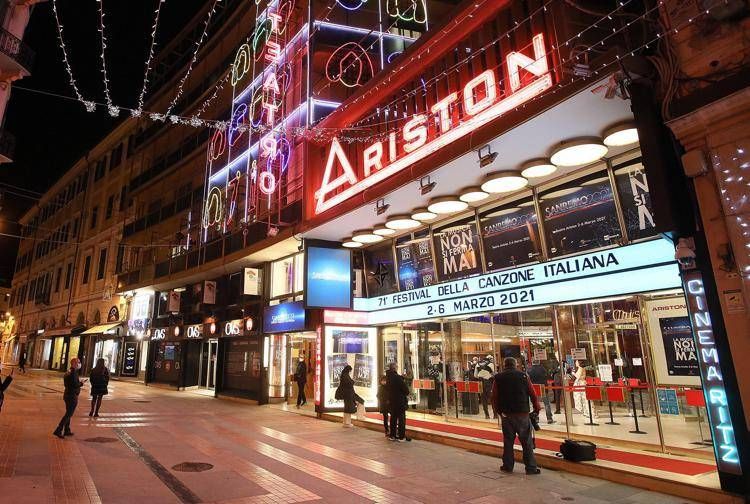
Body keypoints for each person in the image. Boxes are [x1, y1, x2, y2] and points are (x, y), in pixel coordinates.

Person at [491, 357, 541, 475]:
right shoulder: (524, 376)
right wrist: (536, 409)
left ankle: (508, 465)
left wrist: (499, 412)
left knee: (508, 441)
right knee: (526, 442)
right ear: (516, 364)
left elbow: (494, 397)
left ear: (504, 365)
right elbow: (533, 394)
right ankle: (531, 467)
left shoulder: (498, 378)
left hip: (507, 414)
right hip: (522, 413)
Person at [53, 358, 86, 438]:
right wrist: (81, 383)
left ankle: (67, 430)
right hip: (72, 396)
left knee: (69, 413)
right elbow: (75, 385)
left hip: (67, 394)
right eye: (78, 362)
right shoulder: (73, 373)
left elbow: (70, 383)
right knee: (68, 414)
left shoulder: (69, 371)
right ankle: (59, 429)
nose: (79, 364)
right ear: (74, 364)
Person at [386, 363, 410, 442]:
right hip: (399, 402)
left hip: (392, 401)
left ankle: (392, 435)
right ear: (395, 368)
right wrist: (402, 379)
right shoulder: (397, 378)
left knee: (393, 418)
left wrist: (401, 378)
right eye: (397, 367)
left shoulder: (388, 377)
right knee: (401, 419)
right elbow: (406, 390)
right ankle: (401, 436)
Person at [527, 359, 554, 424]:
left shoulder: (529, 370)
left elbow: (527, 379)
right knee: (546, 404)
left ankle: (536, 418)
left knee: (535, 404)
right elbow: (548, 377)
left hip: (534, 388)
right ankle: (549, 418)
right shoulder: (543, 369)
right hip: (543, 388)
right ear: (538, 362)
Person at [474, 355, 495, 419]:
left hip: (480, 382)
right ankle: (495, 415)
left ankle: (487, 415)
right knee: (492, 399)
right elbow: (494, 374)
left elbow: (475, 375)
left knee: (484, 400)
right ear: (490, 359)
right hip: (488, 382)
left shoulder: (477, 364)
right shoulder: (491, 364)